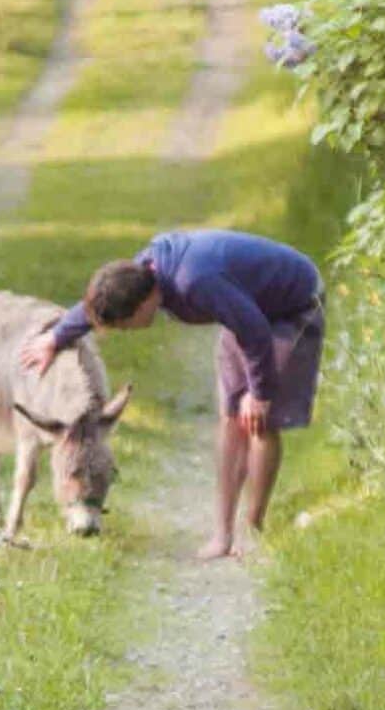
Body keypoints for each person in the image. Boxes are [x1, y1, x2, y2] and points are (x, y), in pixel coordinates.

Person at [27, 228, 325, 561]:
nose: (125, 332)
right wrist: (55, 337)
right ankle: (223, 534)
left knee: (259, 420)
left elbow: (255, 331)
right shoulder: (139, 274)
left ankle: (253, 530)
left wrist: (259, 392)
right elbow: (97, 306)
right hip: (246, 309)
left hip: (291, 304)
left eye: (125, 325)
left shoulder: (195, 282)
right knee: (230, 417)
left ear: (143, 305)